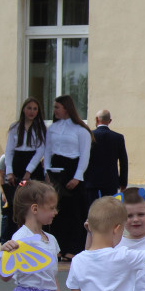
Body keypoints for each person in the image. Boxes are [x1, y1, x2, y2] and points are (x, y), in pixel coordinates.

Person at [0, 180, 79, 291]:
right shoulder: (20, 239)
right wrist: (7, 254)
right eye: (51, 208)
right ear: (35, 209)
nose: (55, 212)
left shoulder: (51, 239)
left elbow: (52, 275)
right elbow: (5, 276)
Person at [44, 95, 92, 260]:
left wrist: (77, 177)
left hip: (73, 169)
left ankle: (73, 248)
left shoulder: (80, 130)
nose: (54, 110)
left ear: (66, 108)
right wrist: (47, 172)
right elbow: (47, 151)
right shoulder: (52, 129)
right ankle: (58, 248)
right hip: (56, 170)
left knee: (74, 212)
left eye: (57, 107)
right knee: (56, 212)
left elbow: (85, 155)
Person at [3, 97, 47, 216]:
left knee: (34, 199)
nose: (32, 111)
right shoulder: (15, 127)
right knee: (16, 201)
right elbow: (9, 151)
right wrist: (9, 172)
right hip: (17, 164)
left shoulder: (41, 128)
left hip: (33, 165)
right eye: (29, 108)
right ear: (23, 109)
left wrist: (28, 172)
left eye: (35, 109)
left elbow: (40, 151)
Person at [83, 109, 129, 211]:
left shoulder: (89, 135)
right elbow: (123, 161)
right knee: (110, 210)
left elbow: (83, 158)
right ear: (110, 121)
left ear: (96, 119)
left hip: (91, 180)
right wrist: (123, 182)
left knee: (91, 210)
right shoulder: (118, 137)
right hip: (111, 180)